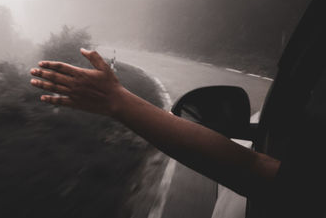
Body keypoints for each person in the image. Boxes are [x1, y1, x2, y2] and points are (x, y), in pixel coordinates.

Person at [29, 48, 289, 216]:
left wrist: (117, 102)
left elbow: (251, 166)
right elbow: (253, 165)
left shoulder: (304, 187)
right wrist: (115, 100)